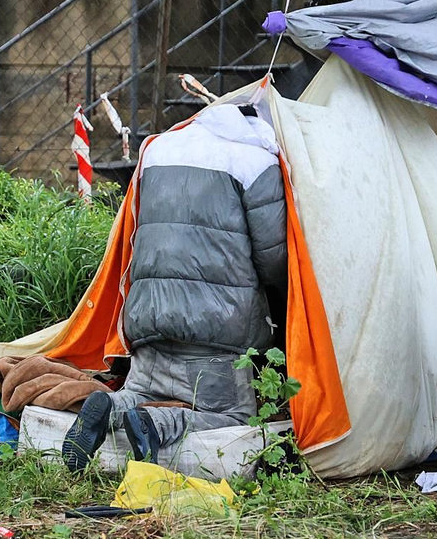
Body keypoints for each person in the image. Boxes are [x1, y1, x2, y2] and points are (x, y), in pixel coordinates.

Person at [62, 102, 286, 469]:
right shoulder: (255, 160)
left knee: (141, 391)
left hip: (147, 317)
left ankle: (110, 407)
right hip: (217, 329)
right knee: (233, 415)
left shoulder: (159, 149)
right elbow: (274, 257)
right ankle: (158, 422)